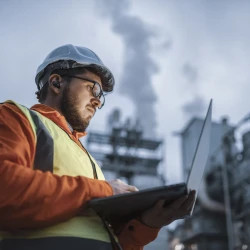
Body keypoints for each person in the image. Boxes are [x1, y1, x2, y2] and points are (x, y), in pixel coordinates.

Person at [0, 44, 195, 250]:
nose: (96, 101)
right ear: (56, 83)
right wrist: (105, 189)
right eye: (93, 88)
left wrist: (148, 224)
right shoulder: (16, 117)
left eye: (101, 96)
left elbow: (100, 239)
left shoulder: (87, 159)